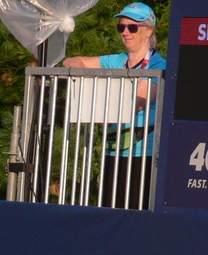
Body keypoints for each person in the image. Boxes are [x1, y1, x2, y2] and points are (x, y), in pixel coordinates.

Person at [63, 3, 165, 210]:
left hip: (142, 156)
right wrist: (86, 80)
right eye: (121, 27)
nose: (125, 33)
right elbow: (71, 61)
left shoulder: (158, 65)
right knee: (110, 212)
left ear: (149, 31)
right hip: (112, 151)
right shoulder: (117, 60)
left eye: (132, 27)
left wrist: (100, 102)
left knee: (135, 216)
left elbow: (138, 100)